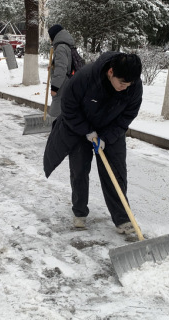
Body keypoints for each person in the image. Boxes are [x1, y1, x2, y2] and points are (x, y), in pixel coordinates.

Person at [43, 52, 143, 233]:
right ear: (111, 72)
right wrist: (87, 130)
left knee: (115, 173)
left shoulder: (133, 86)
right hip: (80, 127)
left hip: (111, 129)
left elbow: (127, 116)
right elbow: (69, 107)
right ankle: (79, 212)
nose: (125, 87)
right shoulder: (86, 77)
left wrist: (107, 137)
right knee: (79, 169)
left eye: (129, 84)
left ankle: (122, 219)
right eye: (122, 83)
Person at [47, 24, 75, 118]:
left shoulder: (61, 48)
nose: (50, 40)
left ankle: (52, 126)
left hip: (62, 84)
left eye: (50, 37)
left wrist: (55, 87)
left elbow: (61, 69)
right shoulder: (66, 45)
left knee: (55, 111)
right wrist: (52, 66)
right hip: (67, 81)